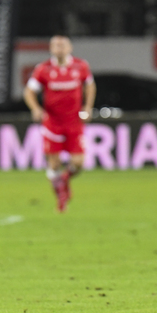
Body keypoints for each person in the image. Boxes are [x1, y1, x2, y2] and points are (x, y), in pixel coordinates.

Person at [24, 35, 96, 212]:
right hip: (53, 123)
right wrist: (35, 108)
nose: (59, 48)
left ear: (69, 48)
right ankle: (61, 197)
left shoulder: (81, 66)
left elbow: (90, 86)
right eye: (56, 45)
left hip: (74, 121)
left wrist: (88, 107)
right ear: (51, 49)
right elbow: (29, 91)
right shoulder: (43, 69)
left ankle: (63, 180)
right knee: (54, 164)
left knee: (78, 163)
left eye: (62, 45)